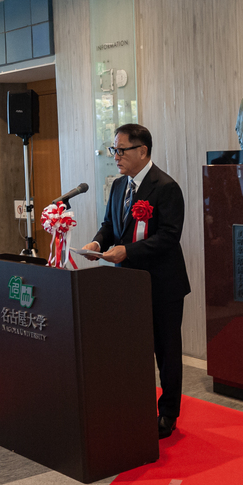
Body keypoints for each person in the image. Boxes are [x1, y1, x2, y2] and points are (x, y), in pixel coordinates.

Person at [82, 124, 190, 440]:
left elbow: (169, 237)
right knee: (129, 349)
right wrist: (97, 244)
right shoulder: (118, 186)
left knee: (166, 351)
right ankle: (132, 405)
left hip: (162, 285)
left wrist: (126, 250)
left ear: (142, 151)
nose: (115, 156)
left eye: (121, 149)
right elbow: (108, 226)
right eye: (113, 149)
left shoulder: (166, 187)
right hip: (126, 286)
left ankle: (168, 413)